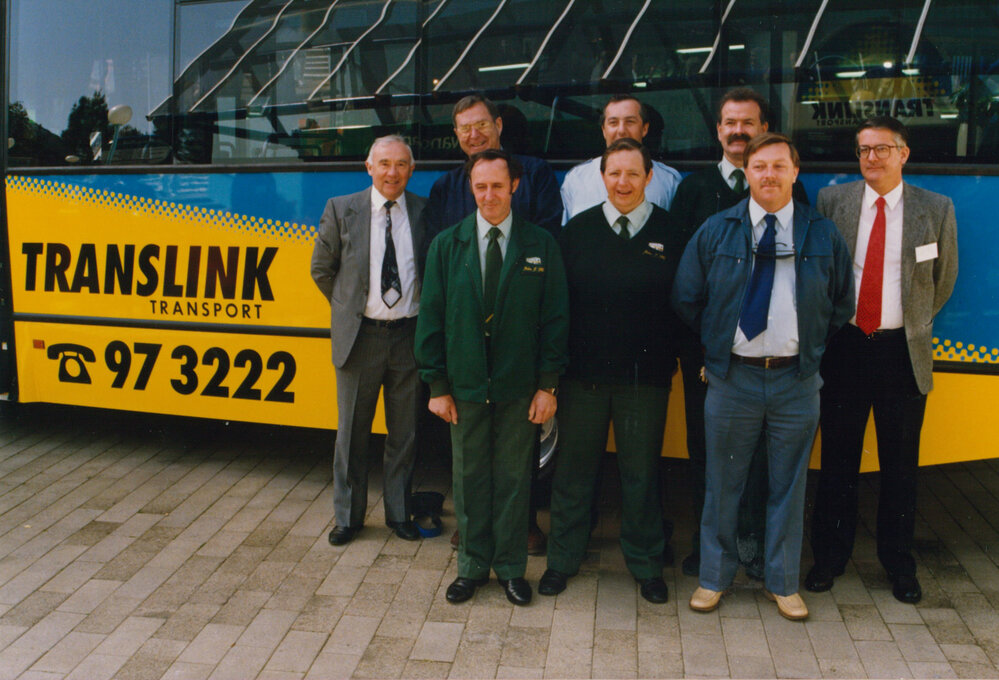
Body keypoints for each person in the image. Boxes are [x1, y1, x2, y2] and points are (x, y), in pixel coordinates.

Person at [672, 133, 854, 620]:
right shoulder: (717, 230)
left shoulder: (822, 233)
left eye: (779, 166)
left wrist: (807, 348)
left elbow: (841, 303)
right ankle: (713, 578)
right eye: (759, 166)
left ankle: (782, 582)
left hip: (797, 381)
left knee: (788, 489)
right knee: (722, 484)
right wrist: (718, 346)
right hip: (734, 380)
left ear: (795, 173)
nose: (769, 175)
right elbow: (687, 297)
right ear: (746, 173)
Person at [806, 117, 958, 604]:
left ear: (904, 154)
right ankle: (829, 559)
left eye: (882, 149)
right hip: (845, 348)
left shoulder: (935, 208)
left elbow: (944, 278)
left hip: (900, 352)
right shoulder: (834, 202)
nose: (872, 158)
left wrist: (907, 322)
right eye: (864, 150)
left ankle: (900, 566)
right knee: (837, 464)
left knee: (900, 468)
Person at [415, 149, 569, 606]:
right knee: (469, 477)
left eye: (497, 186)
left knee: (514, 479)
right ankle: (471, 568)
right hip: (464, 388)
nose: (489, 196)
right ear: (471, 189)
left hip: (519, 388)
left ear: (514, 187)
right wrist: (437, 386)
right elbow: (433, 319)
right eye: (480, 187)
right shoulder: (448, 245)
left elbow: (556, 319)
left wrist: (548, 384)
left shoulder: (540, 244)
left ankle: (510, 570)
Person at [669, 87, 811, 580]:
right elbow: (685, 284)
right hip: (710, 355)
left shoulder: (789, 191)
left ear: (763, 129)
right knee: (708, 453)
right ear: (718, 131)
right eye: (729, 123)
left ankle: (751, 543)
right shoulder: (692, 190)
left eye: (747, 123)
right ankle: (707, 550)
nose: (737, 131)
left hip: (771, 356)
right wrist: (712, 344)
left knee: (762, 459)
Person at [540, 138, 682, 604]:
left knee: (641, 475)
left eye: (633, 174)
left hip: (645, 380)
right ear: (602, 177)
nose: (623, 182)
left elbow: (683, 305)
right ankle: (562, 560)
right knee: (574, 472)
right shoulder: (576, 232)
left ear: (649, 178)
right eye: (614, 173)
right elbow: (557, 307)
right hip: (583, 378)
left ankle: (645, 564)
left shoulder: (672, 231)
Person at [311, 135, 426, 546]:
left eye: (400, 165)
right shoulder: (342, 209)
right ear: (369, 167)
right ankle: (348, 517)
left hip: (408, 339)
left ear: (411, 170)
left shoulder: (423, 211)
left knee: (404, 433)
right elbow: (321, 270)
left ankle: (399, 513)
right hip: (360, 340)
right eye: (384, 164)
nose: (392, 172)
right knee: (352, 434)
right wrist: (352, 310)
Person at [423, 94, 563, 241]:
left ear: (498, 125)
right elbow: (434, 249)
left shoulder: (536, 174)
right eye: (465, 128)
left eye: (482, 125)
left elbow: (547, 239)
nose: (474, 135)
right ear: (457, 134)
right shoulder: (444, 188)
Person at [560, 94, 682, 222]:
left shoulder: (668, 181)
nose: (621, 130)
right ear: (604, 130)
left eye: (630, 122)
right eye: (613, 123)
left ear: (644, 129)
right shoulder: (577, 179)